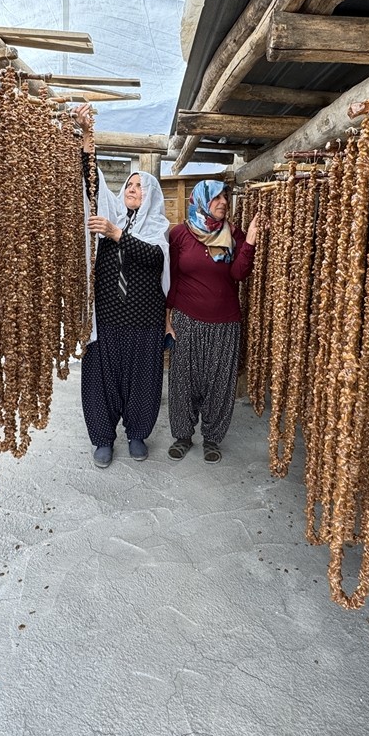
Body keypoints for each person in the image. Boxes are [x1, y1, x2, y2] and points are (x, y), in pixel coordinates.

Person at [75, 104, 170, 468]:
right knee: (100, 378)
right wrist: (87, 137)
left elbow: (154, 259)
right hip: (110, 318)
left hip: (144, 321)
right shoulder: (114, 214)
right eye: (129, 185)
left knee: (143, 381)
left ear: (152, 197)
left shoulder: (157, 229)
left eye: (139, 187)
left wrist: (116, 235)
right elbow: (93, 184)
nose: (132, 189)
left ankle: (136, 434)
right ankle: (102, 438)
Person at [165, 179, 261, 463]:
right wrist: (166, 319)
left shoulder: (233, 234)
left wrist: (251, 240)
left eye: (225, 198)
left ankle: (212, 439)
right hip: (186, 319)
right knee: (183, 380)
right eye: (216, 198)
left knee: (220, 382)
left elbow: (239, 274)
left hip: (225, 322)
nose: (222, 203)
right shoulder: (180, 234)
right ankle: (183, 436)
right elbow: (171, 279)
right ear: (202, 200)